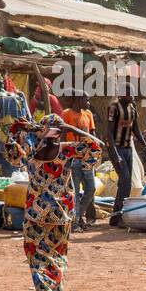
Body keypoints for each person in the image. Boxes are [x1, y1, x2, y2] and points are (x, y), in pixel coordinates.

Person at [3, 114, 102, 291]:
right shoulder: (66, 149)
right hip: (62, 212)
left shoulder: (31, 151)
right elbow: (96, 149)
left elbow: (12, 156)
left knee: (37, 255)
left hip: (35, 212)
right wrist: (75, 130)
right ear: (60, 132)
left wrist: (16, 133)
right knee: (58, 255)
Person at [107, 87, 146, 226]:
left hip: (128, 148)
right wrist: (114, 154)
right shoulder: (114, 107)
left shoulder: (132, 107)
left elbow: (135, 129)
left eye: (133, 92)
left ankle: (118, 215)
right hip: (117, 149)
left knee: (125, 183)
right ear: (122, 95)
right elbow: (108, 132)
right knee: (125, 180)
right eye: (129, 93)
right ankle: (117, 216)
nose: (132, 95)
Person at [61, 93, 97, 229]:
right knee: (74, 191)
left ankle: (78, 215)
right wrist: (64, 155)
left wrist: (94, 152)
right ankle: (75, 222)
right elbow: (63, 134)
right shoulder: (66, 114)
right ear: (77, 100)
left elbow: (92, 135)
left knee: (91, 189)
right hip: (73, 157)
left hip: (87, 157)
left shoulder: (88, 114)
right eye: (86, 100)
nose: (88, 103)